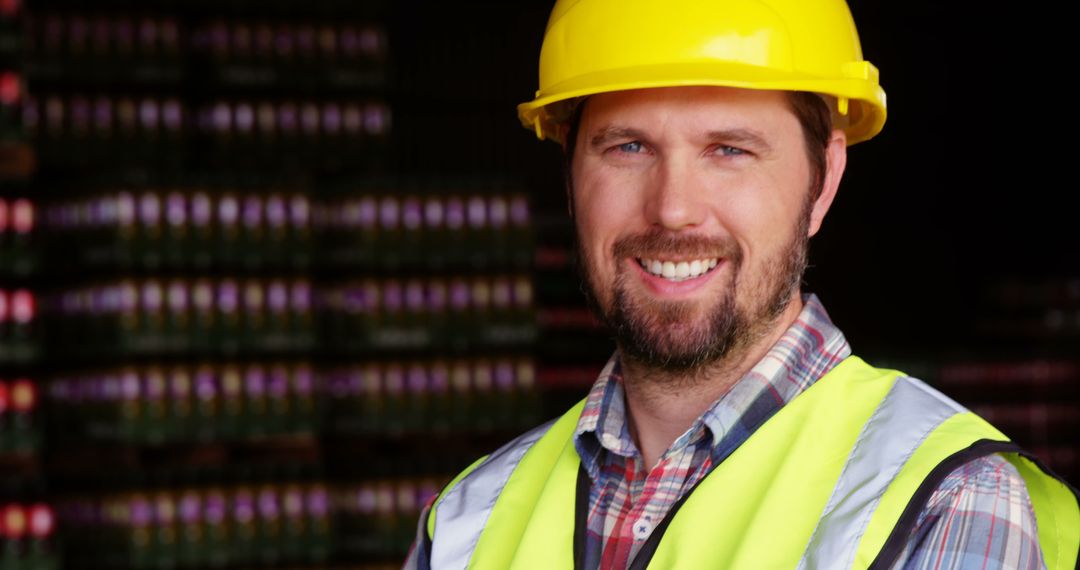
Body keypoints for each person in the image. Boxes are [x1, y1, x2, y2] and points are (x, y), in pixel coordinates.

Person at [404, 0, 1080, 568]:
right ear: (571, 177)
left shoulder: (942, 503)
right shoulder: (468, 524)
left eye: (729, 150)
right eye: (627, 147)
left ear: (824, 181)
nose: (672, 208)